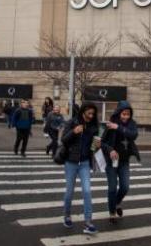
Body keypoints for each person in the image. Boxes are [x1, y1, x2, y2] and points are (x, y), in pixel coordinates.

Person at [60, 101, 100, 235]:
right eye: (89, 113)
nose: (91, 115)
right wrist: (74, 131)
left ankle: (88, 222)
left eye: (93, 114)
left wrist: (97, 145)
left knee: (87, 191)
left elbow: (93, 147)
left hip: (84, 163)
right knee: (69, 191)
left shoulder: (94, 126)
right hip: (71, 162)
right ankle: (67, 215)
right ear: (83, 111)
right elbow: (64, 140)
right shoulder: (72, 122)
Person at [101, 100, 141, 223]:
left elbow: (133, 135)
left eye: (128, 114)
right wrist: (110, 150)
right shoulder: (110, 124)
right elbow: (100, 142)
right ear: (119, 113)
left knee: (125, 187)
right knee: (112, 188)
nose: (125, 117)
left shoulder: (131, 124)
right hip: (111, 162)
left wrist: (118, 127)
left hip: (124, 162)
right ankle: (112, 212)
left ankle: (117, 202)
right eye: (123, 114)